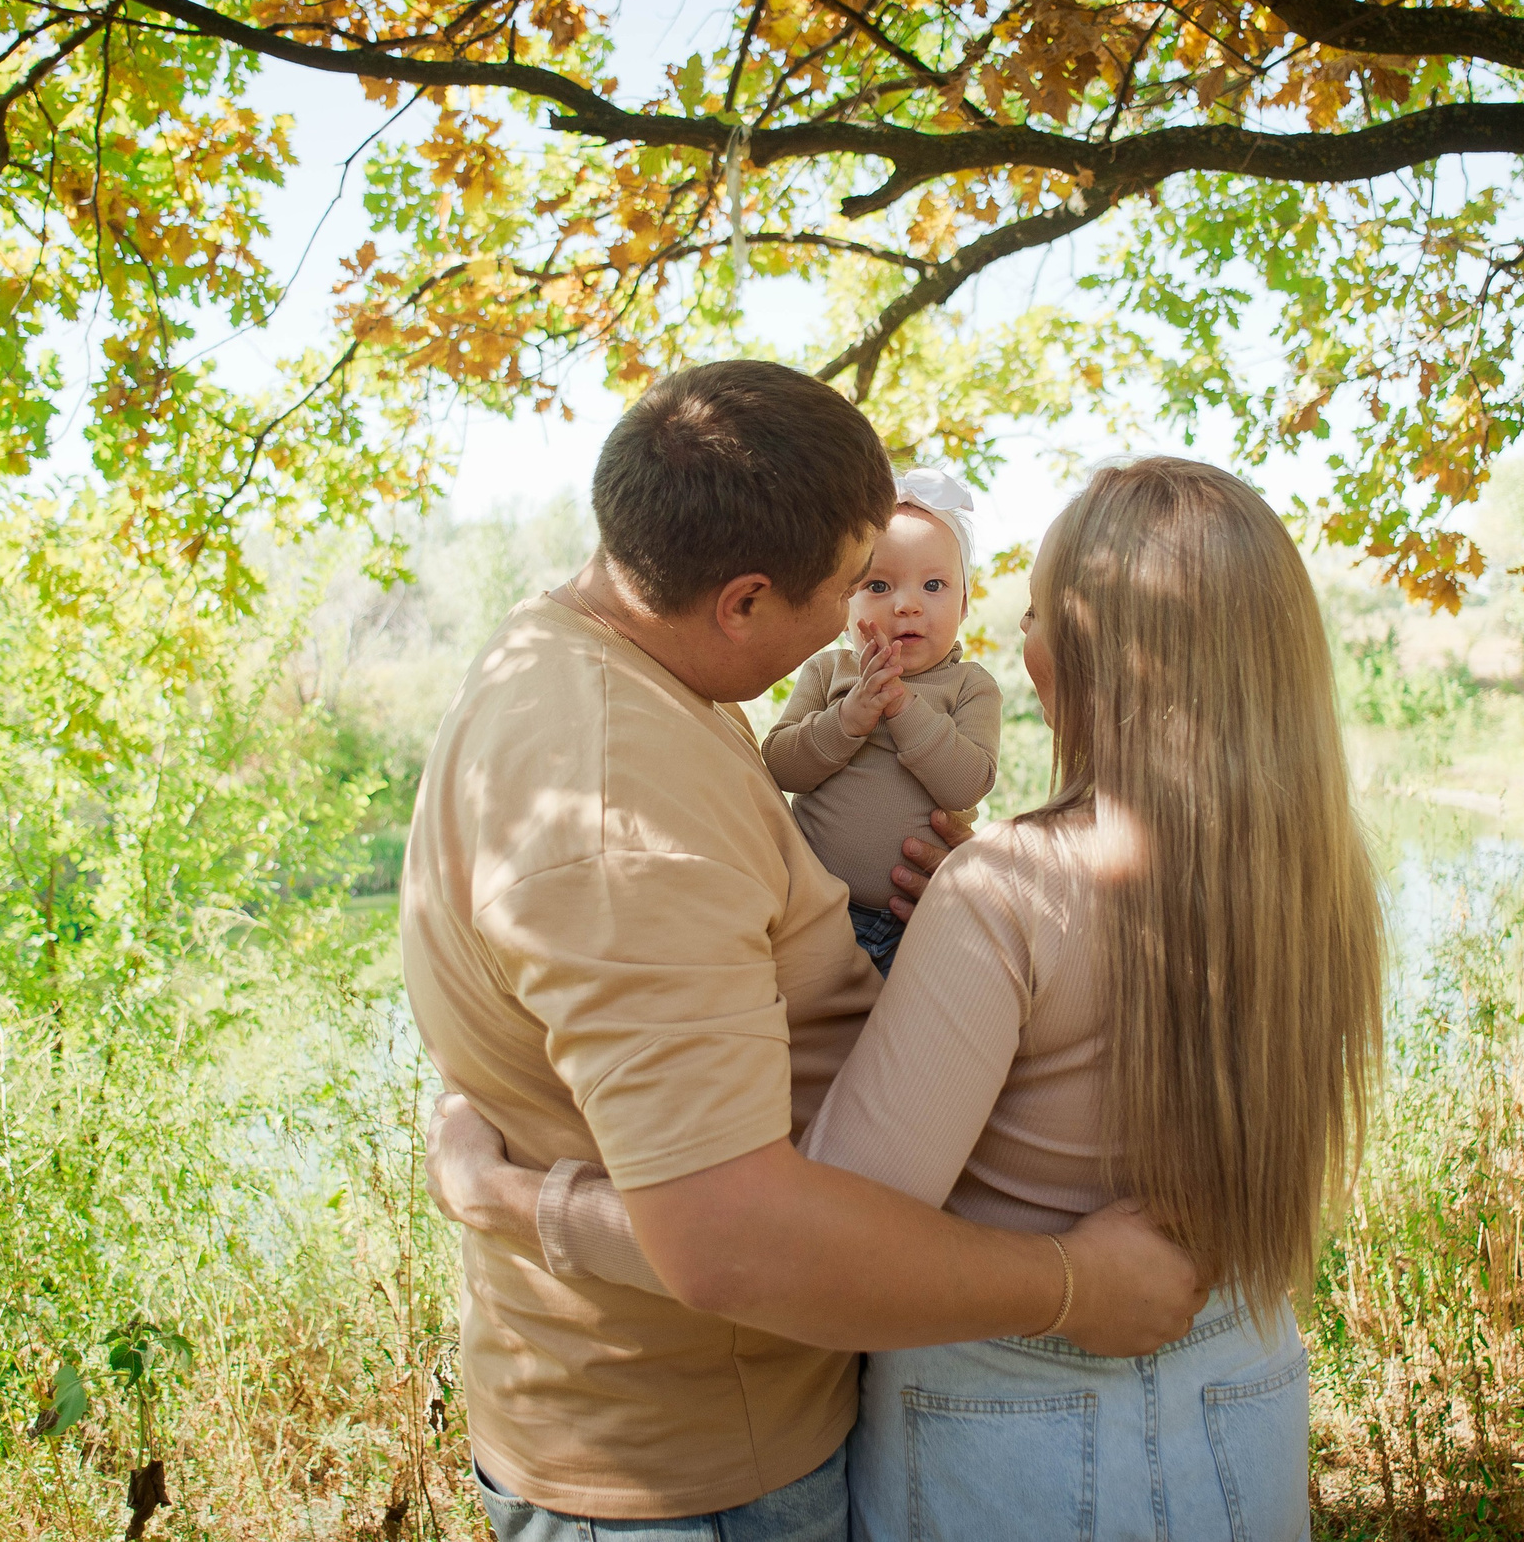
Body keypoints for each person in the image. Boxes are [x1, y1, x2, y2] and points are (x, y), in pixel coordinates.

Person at [439, 456, 1387, 1542]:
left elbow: (814, 1241)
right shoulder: (1322, 885)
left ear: (1080, 649)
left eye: (1033, 609)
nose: (1020, 640)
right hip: (1247, 1392)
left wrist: (511, 1195)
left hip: (1007, 1426)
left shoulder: (1008, 893)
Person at [764, 468, 1001, 976]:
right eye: (878, 584)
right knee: (805, 1030)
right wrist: (847, 720)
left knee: (906, 1033)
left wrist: (904, 709)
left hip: (914, 921)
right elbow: (781, 767)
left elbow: (966, 787)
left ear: (963, 603)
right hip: (808, 907)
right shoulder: (830, 671)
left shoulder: (970, 687)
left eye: (934, 585)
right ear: (844, 600)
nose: (908, 604)